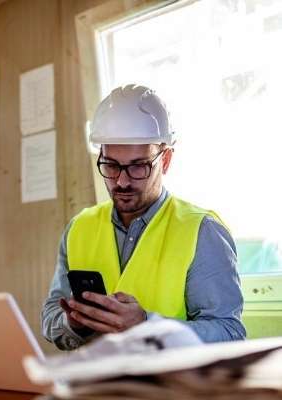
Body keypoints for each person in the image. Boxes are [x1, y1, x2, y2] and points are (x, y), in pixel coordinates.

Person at [41, 84, 245, 351]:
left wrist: (146, 326)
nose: (122, 181)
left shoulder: (202, 231)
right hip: (96, 389)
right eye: (111, 165)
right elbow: (50, 319)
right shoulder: (79, 228)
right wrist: (76, 324)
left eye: (138, 166)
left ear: (166, 159)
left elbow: (229, 333)